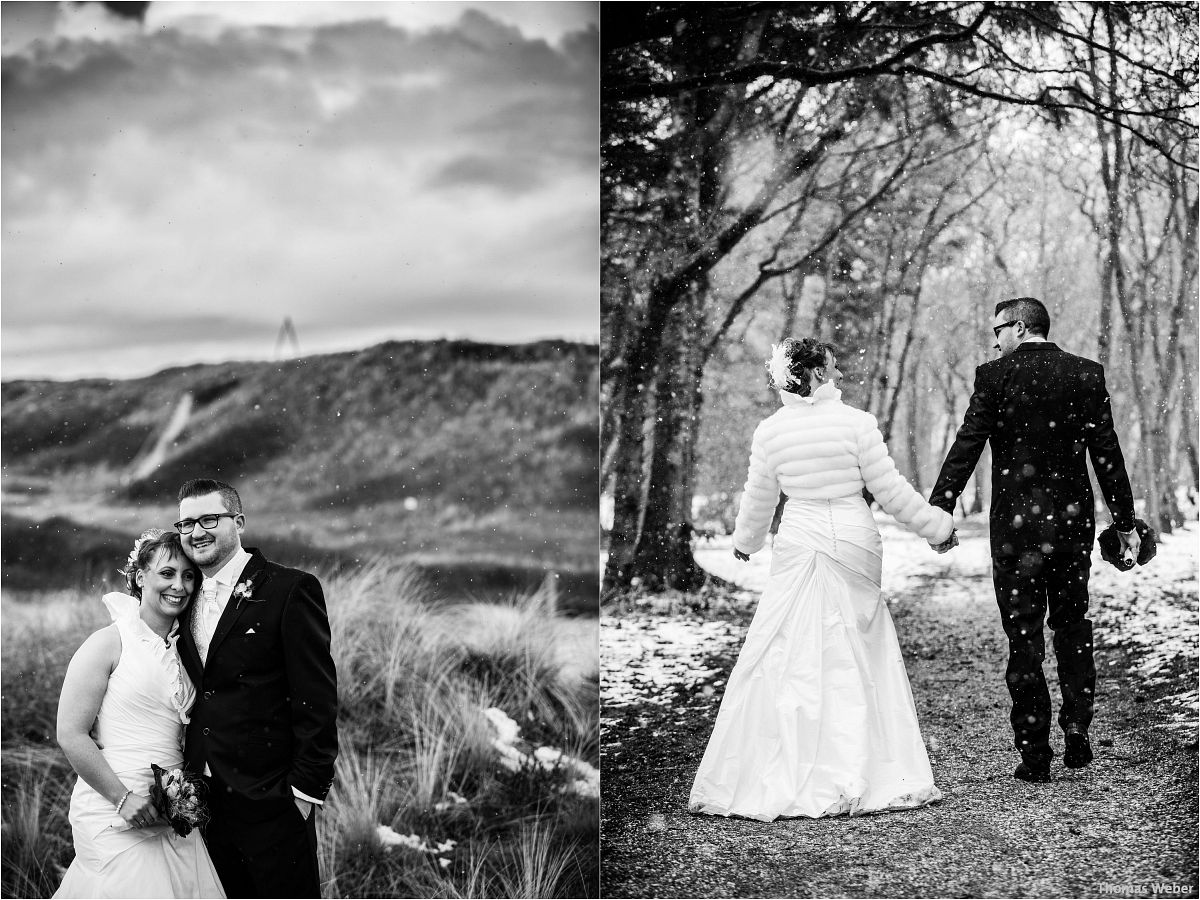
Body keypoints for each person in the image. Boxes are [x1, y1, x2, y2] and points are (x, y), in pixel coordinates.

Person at [688, 337, 955, 822]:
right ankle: (867, 763)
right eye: (830, 368)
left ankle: (787, 760)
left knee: (790, 648)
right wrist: (936, 527)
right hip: (852, 538)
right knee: (859, 646)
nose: (836, 375)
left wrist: (745, 543)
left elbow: (759, 497)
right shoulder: (857, 424)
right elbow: (889, 489)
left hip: (800, 538)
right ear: (812, 375)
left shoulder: (771, 432)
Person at [927, 297, 1137, 783]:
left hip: (1015, 533)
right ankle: (1077, 726)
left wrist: (941, 506)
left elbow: (968, 443)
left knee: (1023, 640)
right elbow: (1107, 451)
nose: (993, 340)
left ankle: (1035, 752)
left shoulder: (995, 377)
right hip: (1070, 528)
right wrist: (1124, 519)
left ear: (1020, 327)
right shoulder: (1085, 373)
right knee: (1072, 625)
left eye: (997, 330)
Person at [175, 478, 338, 898]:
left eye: (209, 518)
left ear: (239, 522)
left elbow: (316, 698)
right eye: (186, 523)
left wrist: (303, 794)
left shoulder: (289, 589)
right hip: (205, 802)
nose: (196, 532)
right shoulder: (184, 597)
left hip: (273, 800)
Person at [54, 529, 226, 898]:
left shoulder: (190, 653)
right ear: (140, 576)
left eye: (188, 575)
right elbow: (70, 734)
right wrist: (122, 798)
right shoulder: (107, 643)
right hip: (115, 807)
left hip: (174, 812)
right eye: (166, 573)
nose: (178, 585)